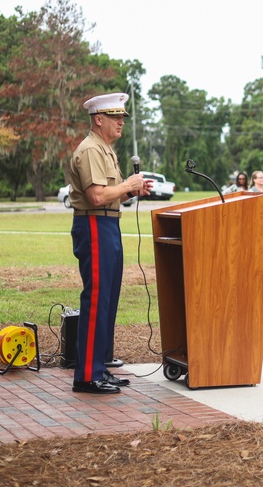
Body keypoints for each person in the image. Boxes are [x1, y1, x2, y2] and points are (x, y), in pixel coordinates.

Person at [68, 92, 152, 394]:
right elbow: (96, 196)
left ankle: (100, 366)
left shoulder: (104, 149)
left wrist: (131, 192)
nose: (121, 122)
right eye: (115, 117)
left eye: (123, 117)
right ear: (98, 119)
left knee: (108, 299)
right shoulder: (91, 150)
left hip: (108, 223)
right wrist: (127, 185)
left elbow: (109, 194)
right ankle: (88, 375)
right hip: (94, 223)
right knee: (97, 299)